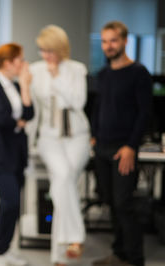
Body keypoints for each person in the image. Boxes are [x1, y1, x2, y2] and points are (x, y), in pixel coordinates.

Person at [28, 25, 90, 266]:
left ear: (61, 49)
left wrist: (57, 78)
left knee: (62, 187)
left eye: (50, 51)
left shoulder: (77, 69)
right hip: (49, 138)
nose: (45, 56)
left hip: (78, 136)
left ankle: (59, 258)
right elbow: (34, 111)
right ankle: (76, 237)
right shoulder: (35, 71)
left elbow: (78, 102)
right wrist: (28, 144)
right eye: (42, 50)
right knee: (63, 177)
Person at [91, 21, 152, 266]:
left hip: (123, 148)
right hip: (102, 147)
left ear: (125, 41)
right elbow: (97, 107)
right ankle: (119, 254)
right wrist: (94, 134)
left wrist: (131, 146)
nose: (108, 46)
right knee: (111, 203)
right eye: (104, 41)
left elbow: (145, 113)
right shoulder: (103, 74)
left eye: (113, 40)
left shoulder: (139, 73)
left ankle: (135, 259)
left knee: (124, 204)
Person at [0, 43, 34, 266]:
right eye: (19, 60)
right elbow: (1, 118)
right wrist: (17, 122)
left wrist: (25, 87)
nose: (22, 64)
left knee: (10, 205)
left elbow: (29, 113)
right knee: (10, 202)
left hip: (17, 153)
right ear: (7, 62)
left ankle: (4, 248)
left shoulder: (15, 85)